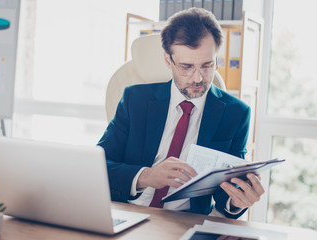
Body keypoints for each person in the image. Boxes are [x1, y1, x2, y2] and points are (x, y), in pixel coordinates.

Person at [98, 8, 264, 219]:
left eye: (207, 65)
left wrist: (237, 201)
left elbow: (226, 195)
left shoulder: (236, 113)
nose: (198, 78)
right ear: (168, 61)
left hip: (184, 221)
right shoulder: (135, 99)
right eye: (186, 67)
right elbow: (100, 164)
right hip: (128, 213)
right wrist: (147, 176)